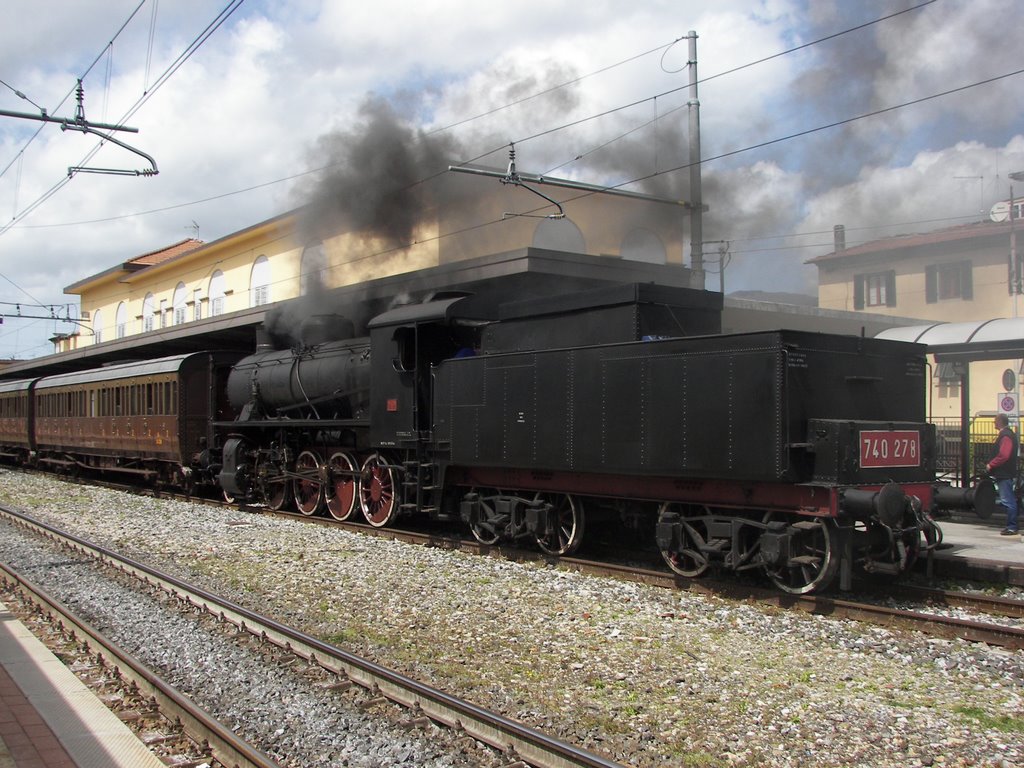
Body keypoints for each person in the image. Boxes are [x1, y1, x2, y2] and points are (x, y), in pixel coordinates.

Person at [985, 413, 1019, 535]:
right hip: (1006, 473)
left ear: (999, 422)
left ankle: (1012, 527)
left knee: (1008, 500)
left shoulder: (1006, 436)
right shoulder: (1008, 435)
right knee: (1008, 499)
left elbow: (1004, 455)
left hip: (1004, 473)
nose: (994, 423)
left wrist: (991, 464)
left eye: (995, 421)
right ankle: (1011, 525)